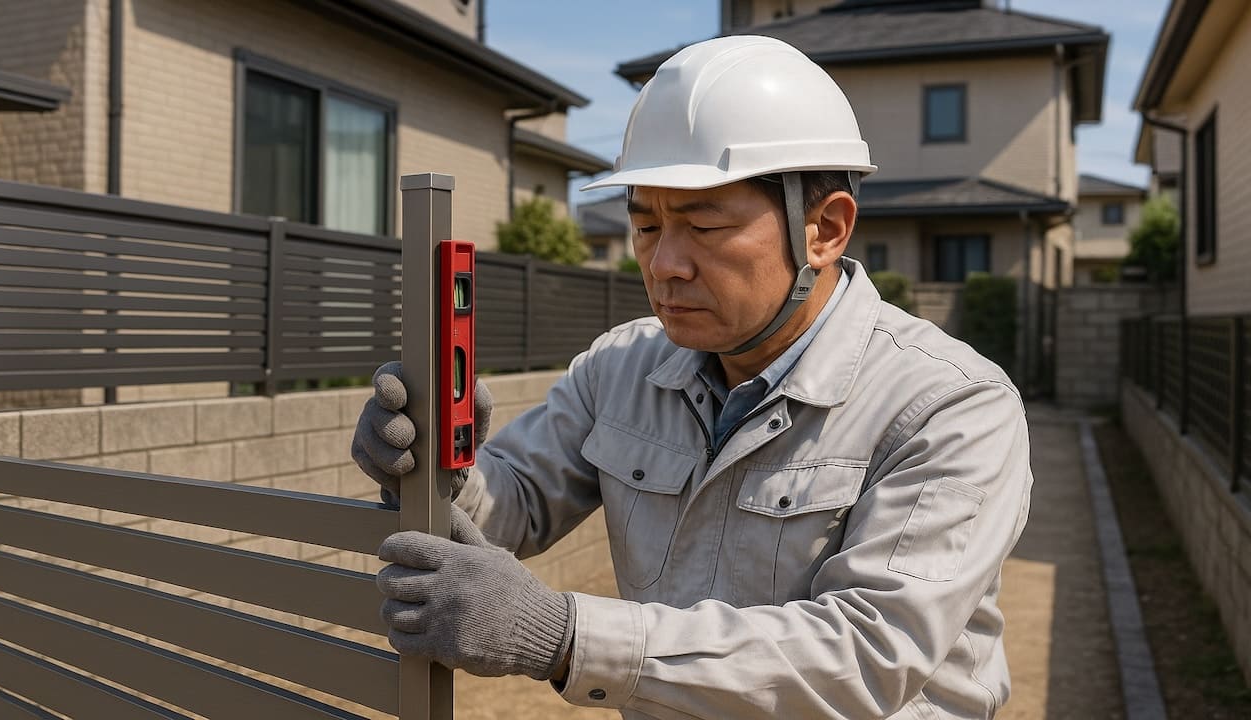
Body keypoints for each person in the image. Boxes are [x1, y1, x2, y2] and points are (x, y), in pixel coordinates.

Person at [354, 35, 1032, 720]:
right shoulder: (621, 368)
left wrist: (563, 636)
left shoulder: (948, 405)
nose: (664, 263)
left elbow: (867, 652)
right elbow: (517, 505)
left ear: (824, 229)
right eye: (646, 226)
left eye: (703, 225)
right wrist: (440, 466)